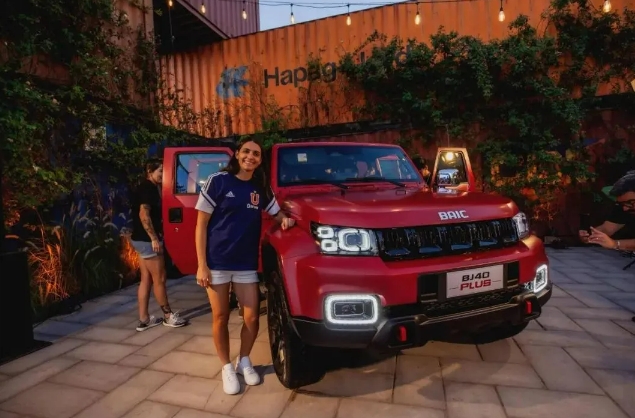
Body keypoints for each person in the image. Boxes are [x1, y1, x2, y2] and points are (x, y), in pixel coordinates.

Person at [194, 138, 296, 395]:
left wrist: (285, 220)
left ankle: (244, 360)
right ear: (237, 154)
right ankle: (226, 367)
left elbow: (276, 212)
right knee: (220, 317)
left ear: (260, 161)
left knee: (251, 317)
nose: (251, 156)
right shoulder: (218, 181)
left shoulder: (259, 187)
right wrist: (202, 265)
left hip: (245, 263)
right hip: (216, 262)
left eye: (256, 154)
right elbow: (201, 225)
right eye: (246, 151)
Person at [130, 158, 187, 331]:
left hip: (139, 239)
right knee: (160, 279)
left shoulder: (147, 187)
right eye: (160, 171)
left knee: (146, 279)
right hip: (148, 241)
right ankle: (168, 316)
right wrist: (154, 238)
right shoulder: (148, 188)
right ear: (150, 171)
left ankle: (144, 319)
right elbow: (144, 214)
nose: (164, 174)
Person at [579, 170, 635, 323]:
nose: (625, 209)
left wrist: (615, 244)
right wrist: (591, 236)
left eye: (630, 203)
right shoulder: (626, 205)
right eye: (622, 204)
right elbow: (608, 228)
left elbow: (614, 242)